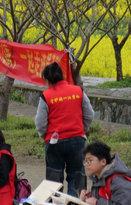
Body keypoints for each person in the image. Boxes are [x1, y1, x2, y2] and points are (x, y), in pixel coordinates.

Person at [35, 62, 94, 193]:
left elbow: (40, 122)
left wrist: (45, 136)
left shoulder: (46, 96)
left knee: (54, 179)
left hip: (55, 142)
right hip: (77, 140)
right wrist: (81, 129)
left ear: (48, 79)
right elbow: (90, 114)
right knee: (76, 176)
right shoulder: (78, 91)